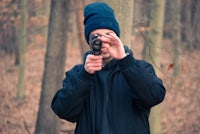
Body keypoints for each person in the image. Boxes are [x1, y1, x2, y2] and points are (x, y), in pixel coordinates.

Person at [51, 2, 166, 134]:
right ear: (89, 42)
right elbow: (62, 110)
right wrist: (85, 76)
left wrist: (126, 61)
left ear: (117, 38)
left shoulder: (138, 68)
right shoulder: (78, 74)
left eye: (108, 34)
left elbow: (154, 96)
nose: (103, 41)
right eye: (96, 37)